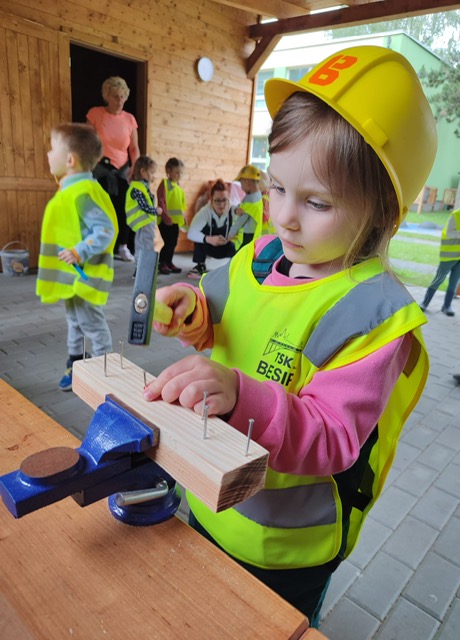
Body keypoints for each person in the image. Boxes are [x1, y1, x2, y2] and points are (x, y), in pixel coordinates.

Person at [143, 46, 437, 627]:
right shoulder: (263, 255)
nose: (284, 217)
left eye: (316, 202)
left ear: (382, 212)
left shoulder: (372, 314)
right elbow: (223, 318)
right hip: (205, 494)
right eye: (276, 188)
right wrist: (190, 312)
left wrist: (238, 393)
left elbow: (333, 437)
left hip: (280, 549)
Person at [36, 123, 118, 391]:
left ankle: (104, 370)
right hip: (74, 276)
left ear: (70, 160)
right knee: (75, 321)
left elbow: (104, 230)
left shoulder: (82, 193)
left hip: (85, 274)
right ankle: (76, 364)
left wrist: (78, 251)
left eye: (52, 149)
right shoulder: (69, 190)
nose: (48, 154)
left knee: (91, 323)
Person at [87, 76, 140, 262]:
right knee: (100, 210)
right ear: (106, 96)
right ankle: (101, 248)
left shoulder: (129, 119)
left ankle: (123, 247)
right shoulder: (95, 114)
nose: (120, 101)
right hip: (100, 169)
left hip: (123, 170)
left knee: (124, 210)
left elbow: (133, 148)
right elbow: (88, 143)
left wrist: (137, 170)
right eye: (116, 97)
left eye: (123, 97)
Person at [419, 180, 460, 316]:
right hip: (449, 257)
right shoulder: (456, 215)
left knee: (454, 283)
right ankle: (425, 303)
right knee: (438, 280)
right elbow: (448, 233)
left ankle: (447, 306)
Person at [186, 179, 237, 278]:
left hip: (228, 246)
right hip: (209, 246)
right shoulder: (204, 212)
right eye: (217, 200)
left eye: (224, 200)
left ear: (229, 199)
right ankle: (200, 265)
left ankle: (236, 266)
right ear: (211, 199)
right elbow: (191, 233)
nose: (221, 205)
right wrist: (208, 239)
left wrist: (231, 238)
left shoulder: (234, 210)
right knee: (199, 236)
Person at [125, 155, 162, 269]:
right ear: (143, 171)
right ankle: (143, 269)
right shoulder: (137, 188)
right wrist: (156, 211)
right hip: (144, 223)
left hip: (145, 223)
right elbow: (144, 206)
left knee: (142, 245)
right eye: (152, 173)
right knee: (146, 246)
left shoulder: (142, 186)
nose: (153, 176)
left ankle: (141, 268)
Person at [157, 157, 187, 275]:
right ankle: (162, 263)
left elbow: (181, 206)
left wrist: (184, 218)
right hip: (165, 221)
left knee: (173, 243)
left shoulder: (178, 187)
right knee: (168, 242)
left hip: (175, 221)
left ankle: (169, 262)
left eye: (181, 173)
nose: (179, 175)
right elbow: (161, 201)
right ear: (169, 171)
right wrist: (165, 217)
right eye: (177, 172)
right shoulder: (164, 184)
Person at [228, 164, 264, 247]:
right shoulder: (258, 196)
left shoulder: (250, 200)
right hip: (254, 234)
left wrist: (230, 234)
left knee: (239, 257)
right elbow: (240, 206)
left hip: (248, 236)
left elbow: (241, 220)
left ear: (247, 182)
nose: (241, 187)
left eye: (241, 183)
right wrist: (236, 210)